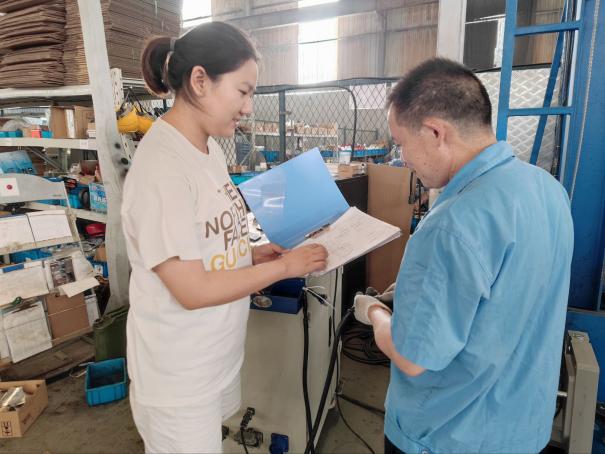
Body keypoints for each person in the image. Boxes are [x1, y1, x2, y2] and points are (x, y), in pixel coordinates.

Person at [121, 22, 328, 453]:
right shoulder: (162, 167)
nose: (248, 107)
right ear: (200, 80)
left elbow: (206, 243)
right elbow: (192, 289)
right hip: (178, 380)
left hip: (212, 359)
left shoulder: (209, 149)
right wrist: (285, 268)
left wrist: (252, 254)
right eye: (243, 91)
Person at [354, 58, 574, 454]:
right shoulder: (548, 190)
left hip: (448, 436)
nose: (403, 159)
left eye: (401, 144)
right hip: (523, 429)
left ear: (436, 132)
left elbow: (412, 357)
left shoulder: (450, 225)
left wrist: (373, 311)